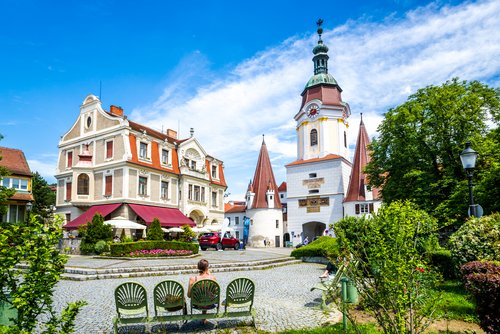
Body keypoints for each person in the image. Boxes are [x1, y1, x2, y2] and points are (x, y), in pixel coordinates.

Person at [187, 259, 217, 325]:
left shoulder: (192, 279)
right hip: (210, 303)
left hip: (197, 304)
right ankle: (204, 318)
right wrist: (209, 275)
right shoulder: (213, 278)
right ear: (207, 267)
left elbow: (189, 295)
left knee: (202, 296)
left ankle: (204, 318)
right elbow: (214, 293)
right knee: (206, 295)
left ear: (198, 267)